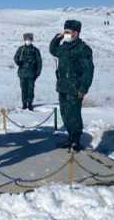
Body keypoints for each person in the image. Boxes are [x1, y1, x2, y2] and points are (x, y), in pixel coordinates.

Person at [49, 20, 94, 151]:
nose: (66, 34)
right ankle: (70, 138)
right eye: (65, 31)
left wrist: (83, 88)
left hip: (75, 89)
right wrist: (58, 37)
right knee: (65, 114)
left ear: (76, 33)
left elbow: (88, 71)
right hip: (63, 87)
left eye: (68, 32)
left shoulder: (83, 49)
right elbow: (52, 50)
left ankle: (76, 140)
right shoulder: (63, 47)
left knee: (74, 114)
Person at [14, 33, 42, 110]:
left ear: (32, 40)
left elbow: (39, 62)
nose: (28, 41)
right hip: (22, 73)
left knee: (30, 89)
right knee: (23, 89)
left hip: (31, 74)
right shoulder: (21, 49)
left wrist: (38, 73)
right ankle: (24, 103)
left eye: (29, 39)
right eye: (26, 39)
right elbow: (16, 57)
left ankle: (30, 103)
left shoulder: (35, 50)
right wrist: (18, 62)